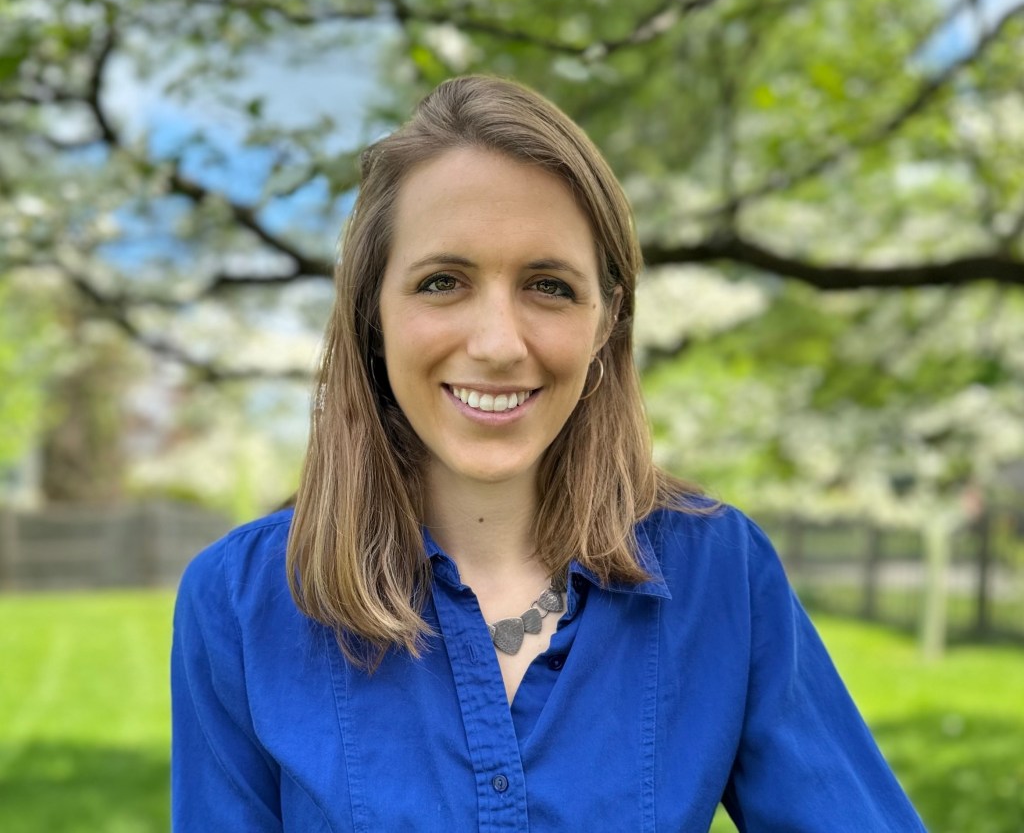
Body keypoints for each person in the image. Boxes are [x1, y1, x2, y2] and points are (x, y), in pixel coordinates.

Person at [171, 75, 926, 831]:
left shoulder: (719, 573)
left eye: (549, 286)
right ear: (373, 313)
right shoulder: (240, 604)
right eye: (442, 282)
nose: (498, 344)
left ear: (607, 319)